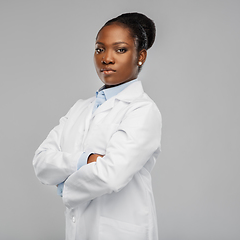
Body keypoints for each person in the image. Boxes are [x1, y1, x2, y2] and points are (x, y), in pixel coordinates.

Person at [33, 12, 162, 240]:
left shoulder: (142, 110)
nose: (107, 58)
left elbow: (111, 174)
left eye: (120, 49)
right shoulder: (80, 108)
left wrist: (65, 185)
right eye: (99, 49)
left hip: (122, 231)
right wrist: (86, 160)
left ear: (140, 56)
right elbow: (42, 161)